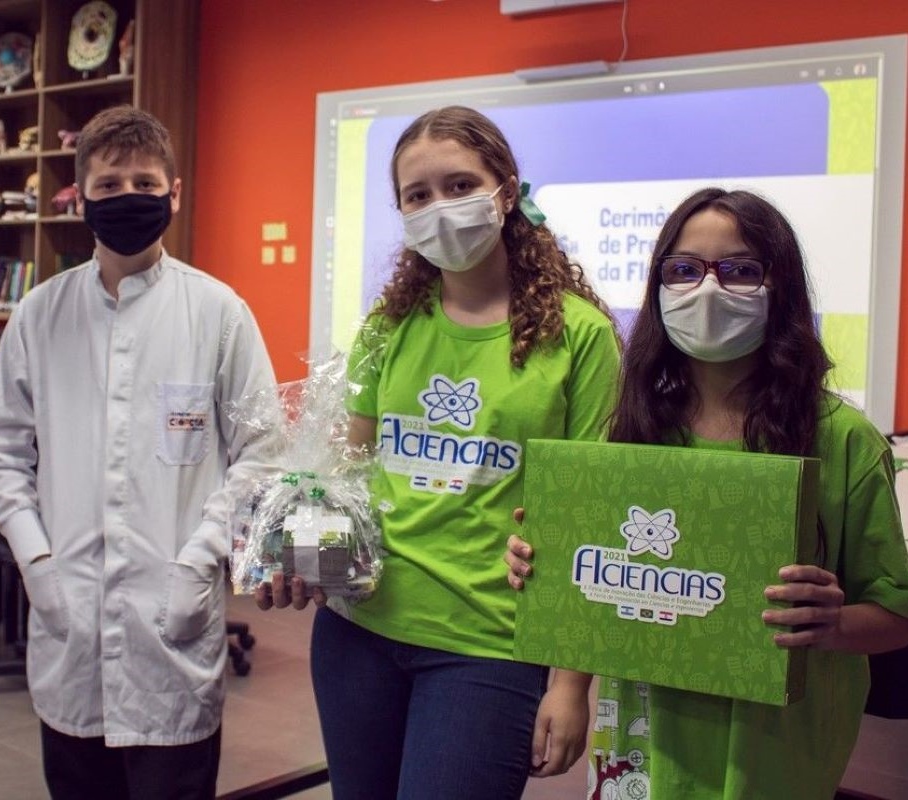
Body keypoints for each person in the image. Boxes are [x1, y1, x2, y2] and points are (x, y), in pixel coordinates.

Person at [259, 105, 621, 799]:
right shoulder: (389, 327)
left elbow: (590, 520)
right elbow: (346, 479)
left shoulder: (581, 336)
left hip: (488, 644)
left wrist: (573, 685)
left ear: (507, 193)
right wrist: (300, 560)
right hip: (357, 631)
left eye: (460, 185)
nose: (440, 208)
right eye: (417, 195)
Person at [505, 187, 908, 799]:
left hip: (773, 755)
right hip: (641, 742)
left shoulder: (841, 439)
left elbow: (896, 612)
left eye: (740, 269)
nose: (709, 289)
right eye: (685, 269)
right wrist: (551, 576)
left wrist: (832, 625)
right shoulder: (633, 430)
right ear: (659, 285)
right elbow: (594, 591)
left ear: (782, 288)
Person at [0, 105, 279, 800]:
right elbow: (0, 454)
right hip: (69, 620)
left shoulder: (218, 312)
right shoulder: (40, 314)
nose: (127, 197)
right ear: (81, 199)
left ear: (174, 193)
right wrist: (38, 563)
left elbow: (262, 453)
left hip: (172, 622)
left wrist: (200, 560)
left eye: (144, 182)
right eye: (108, 185)